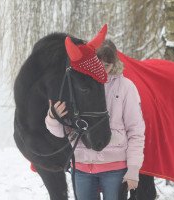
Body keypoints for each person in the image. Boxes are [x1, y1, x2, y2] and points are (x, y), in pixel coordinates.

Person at [45, 39, 145, 200]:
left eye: (107, 65)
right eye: (98, 63)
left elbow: (136, 131)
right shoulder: (76, 85)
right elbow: (61, 132)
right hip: (82, 169)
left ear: (114, 64)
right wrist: (53, 117)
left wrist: (133, 169)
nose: (102, 69)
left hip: (114, 168)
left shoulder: (126, 87)